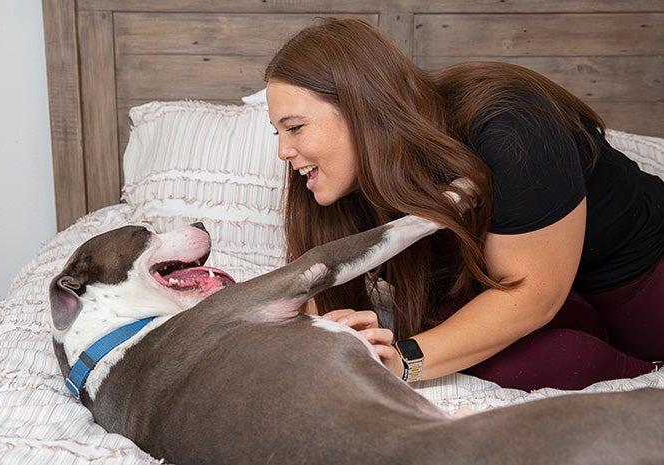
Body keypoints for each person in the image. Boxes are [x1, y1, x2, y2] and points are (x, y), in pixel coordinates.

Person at [263, 17, 664, 391]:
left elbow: (534, 295)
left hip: (641, 280)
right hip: (556, 306)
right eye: (277, 131)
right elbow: (312, 308)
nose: (283, 151)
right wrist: (349, 335)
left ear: (361, 107)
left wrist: (404, 361)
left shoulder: (509, 123)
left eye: (295, 127)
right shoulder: (347, 192)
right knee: (498, 360)